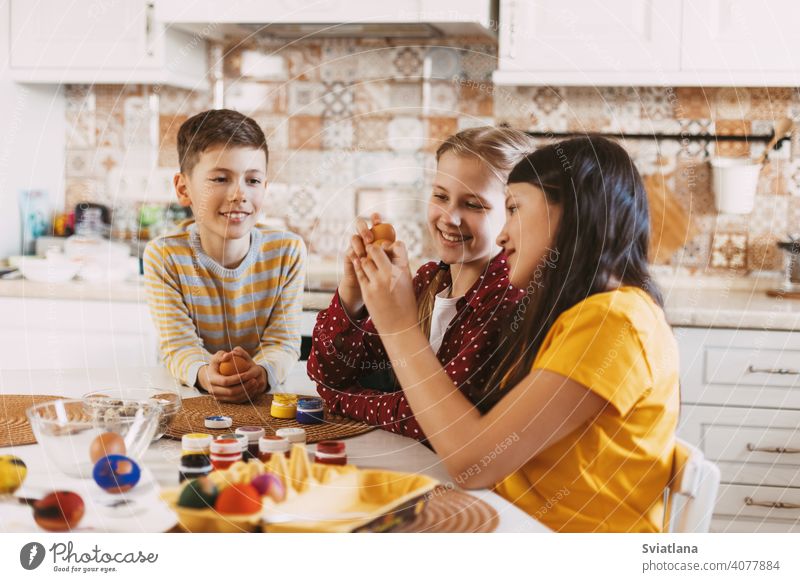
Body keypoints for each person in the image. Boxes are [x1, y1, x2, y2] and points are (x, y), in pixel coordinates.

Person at [349, 136, 679, 532]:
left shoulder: (616, 322)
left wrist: (398, 324)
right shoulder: (580, 318)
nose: (503, 235)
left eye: (514, 209)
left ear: (572, 213)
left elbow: (474, 463)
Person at [307, 127, 533, 439]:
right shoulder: (428, 281)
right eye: (440, 196)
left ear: (514, 214)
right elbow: (329, 373)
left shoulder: (505, 299)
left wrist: (340, 401)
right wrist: (352, 293)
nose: (449, 217)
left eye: (474, 204)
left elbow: (430, 417)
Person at [143, 109, 305, 403]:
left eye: (253, 181)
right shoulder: (164, 256)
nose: (239, 194)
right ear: (183, 188)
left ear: (264, 188)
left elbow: (283, 342)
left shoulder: (287, 252)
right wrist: (206, 374)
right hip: (191, 397)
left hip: (264, 400)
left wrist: (263, 372)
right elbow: (178, 345)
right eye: (220, 178)